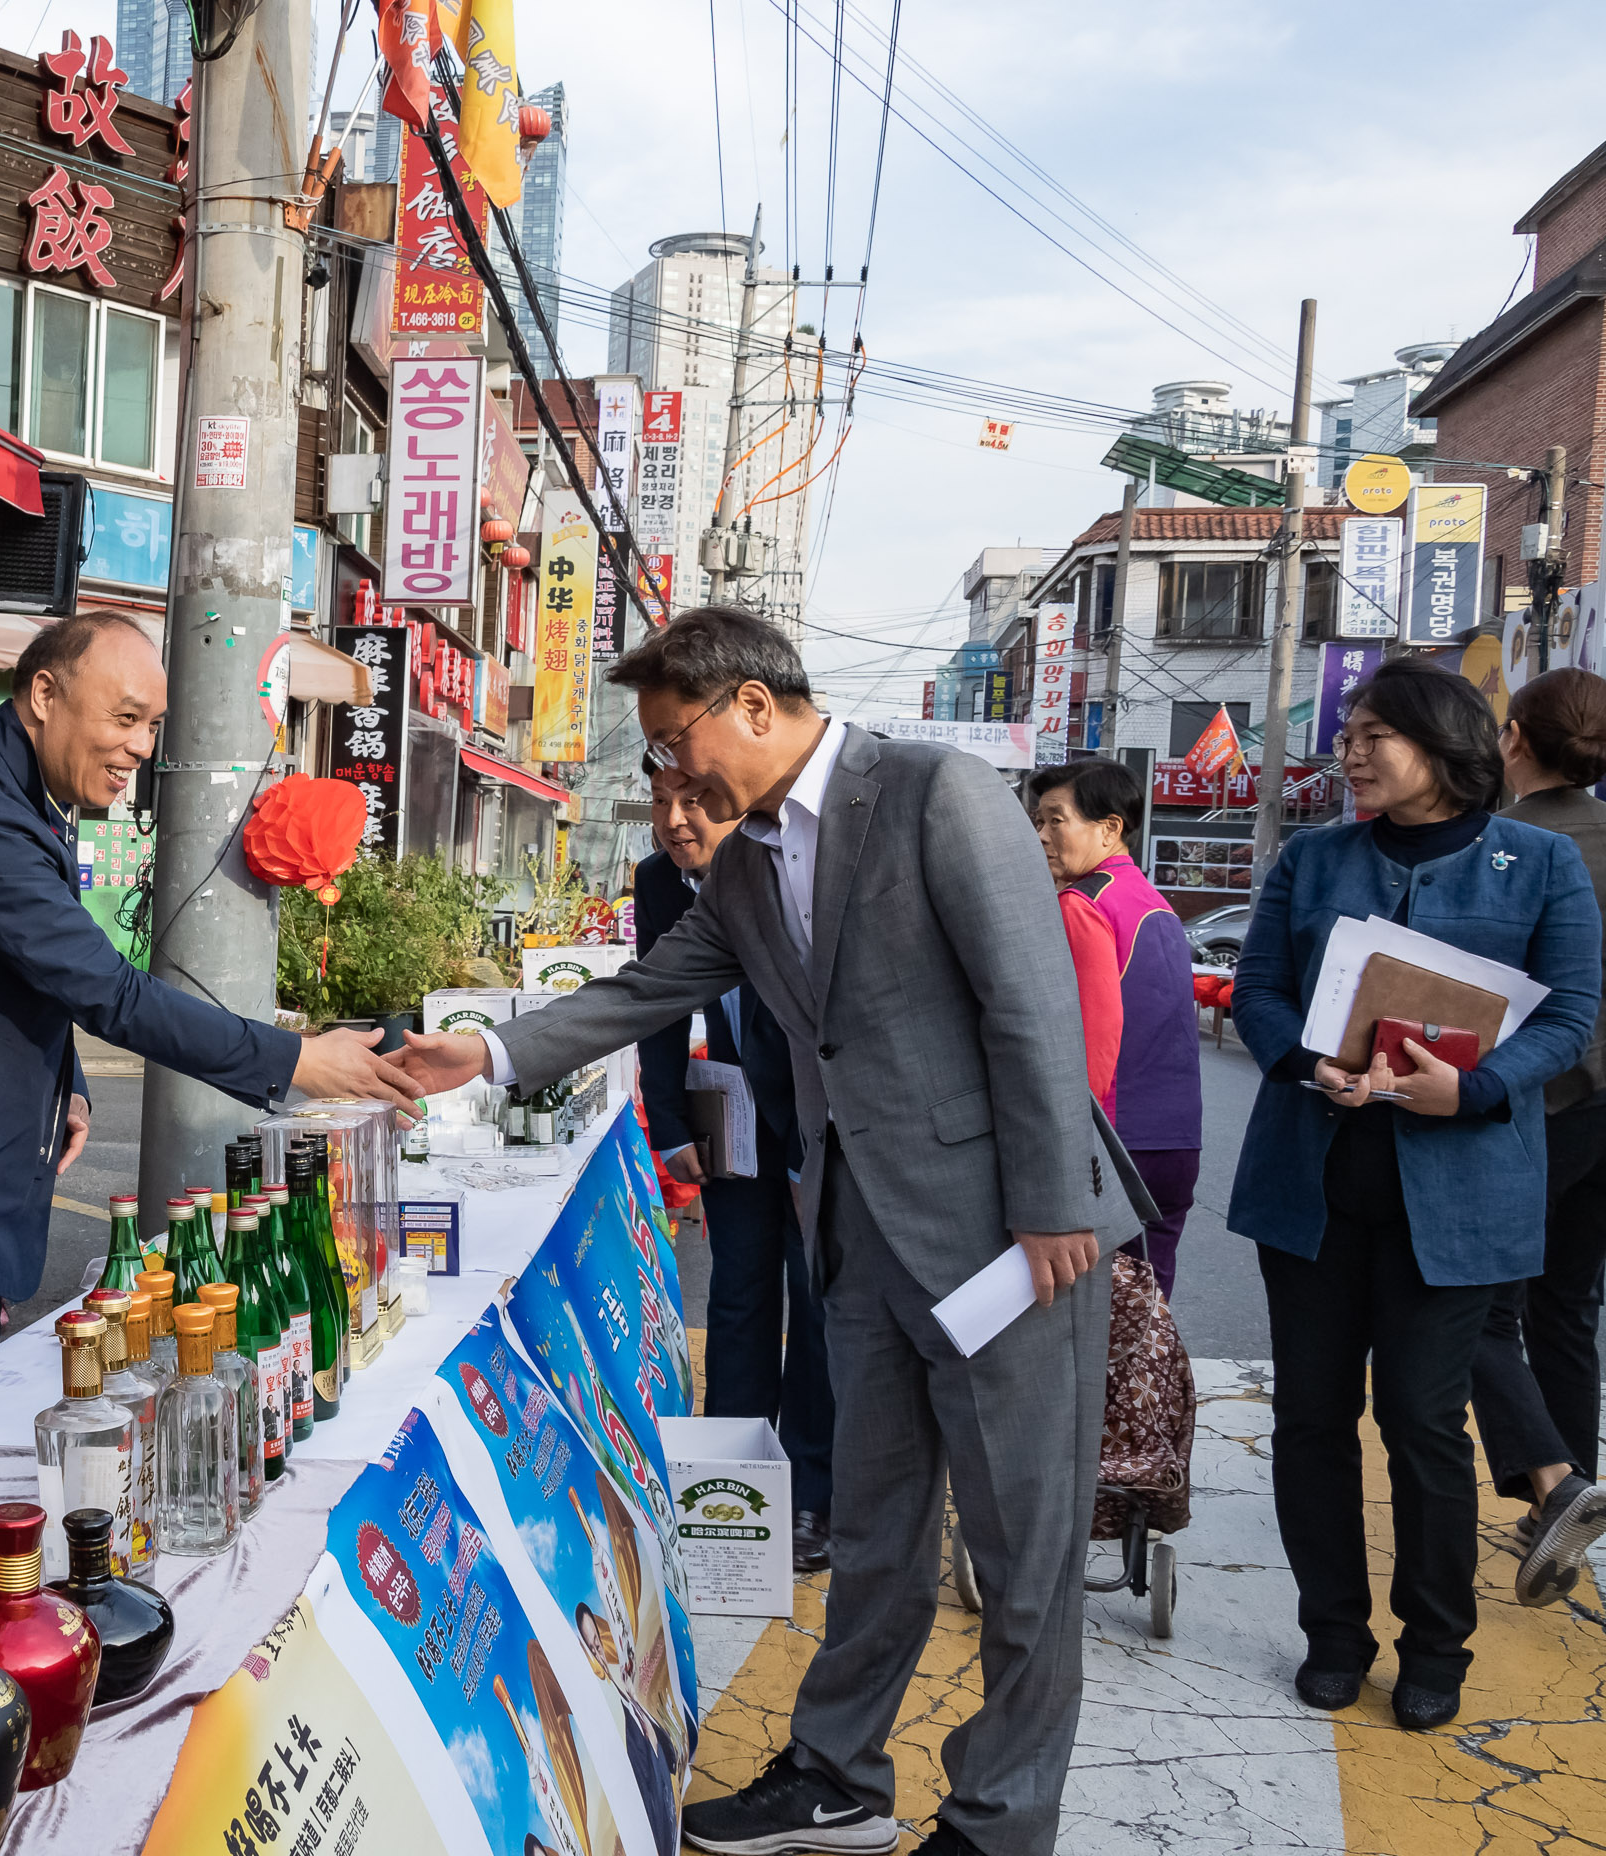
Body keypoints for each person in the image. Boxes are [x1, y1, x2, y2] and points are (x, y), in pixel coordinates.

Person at [397, 608, 1152, 1856]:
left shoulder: (933, 792)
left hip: (1012, 1239)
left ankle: (1002, 1816)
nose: (669, 776)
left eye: (673, 740)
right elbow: (650, 988)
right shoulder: (743, 863)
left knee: (1024, 1552)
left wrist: (1053, 1203)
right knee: (874, 1527)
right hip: (859, 1232)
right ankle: (840, 1772)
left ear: (752, 704)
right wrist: (481, 1051)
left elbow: (1032, 1003)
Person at [0, 613, 413, 1400]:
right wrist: (300, 1061)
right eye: (124, 718)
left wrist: (64, 1083)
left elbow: (12, 967)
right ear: (44, 694)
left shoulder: (18, 786)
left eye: (153, 725)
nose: (142, 747)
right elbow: (105, 988)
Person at [1229, 658, 1599, 1731]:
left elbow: (1571, 1014)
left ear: (1445, 745)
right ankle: (1333, 1632)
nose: (1350, 751)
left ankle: (1437, 1642)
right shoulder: (1314, 857)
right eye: (1347, 733)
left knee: (1423, 1421)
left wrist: (1473, 1086)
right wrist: (1308, 1065)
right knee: (1310, 1417)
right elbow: (1259, 992)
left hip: (1462, 1194)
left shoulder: (1536, 863)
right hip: (1314, 1180)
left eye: (1372, 734)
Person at [633, 770, 831, 1572]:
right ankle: (727, 1484)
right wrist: (671, 1122)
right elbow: (654, 1001)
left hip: (821, 1122)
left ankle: (815, 1496)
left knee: (818, 1305)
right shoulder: (658, 881)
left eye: (695, 802)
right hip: (736, 1117)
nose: (675, 822)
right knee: (739, 1294)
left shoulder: (791, 861)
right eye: (661, 803)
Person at [1471, 667, 1606, 1605]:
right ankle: (1565, 1510)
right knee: (1567, 1304)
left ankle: (1556, 1482)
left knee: (1474, 1301)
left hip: (1543, 1100)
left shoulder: (1514, 847)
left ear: (1512, 737)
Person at [1028, 758, 1204, 1300]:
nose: (1042, 835)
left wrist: (1072, 1161)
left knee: (1094, 1327)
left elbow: (1090, 1046)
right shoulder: (1153, 902)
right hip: (1175, 1142)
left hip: (1116, 1148)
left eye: (1056, 820)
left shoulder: (1083, 904)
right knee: (1147, 1319)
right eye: (1039, 820)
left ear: (1109, 828)